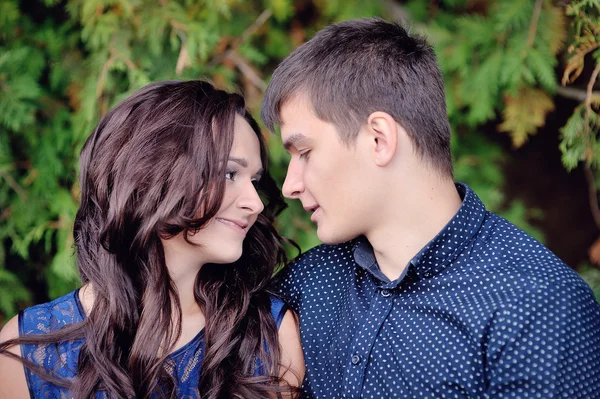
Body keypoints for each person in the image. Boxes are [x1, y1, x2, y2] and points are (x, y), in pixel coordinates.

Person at [261, 18, 600, 399]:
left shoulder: (537, 307)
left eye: (304, 152)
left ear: (379, 139)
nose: (290, 185)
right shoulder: (307, 283)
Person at [0, 80, 304, 399]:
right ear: (151, 176)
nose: (255, 204)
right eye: (229, 174)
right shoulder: (30, 351)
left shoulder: (267, 338)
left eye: (254, 181)